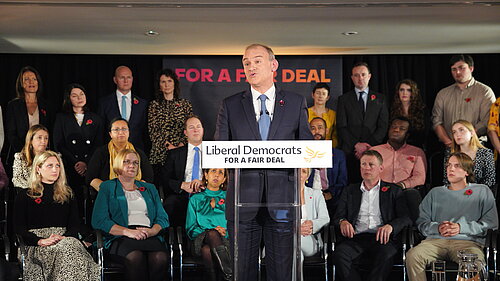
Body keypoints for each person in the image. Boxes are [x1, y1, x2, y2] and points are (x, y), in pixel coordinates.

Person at [214, 43, 313, 281]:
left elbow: (308, 147)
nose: (251, 66)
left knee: (281, 272)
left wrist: (305, 166)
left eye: (257, 61)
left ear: (273, 65)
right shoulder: (230, 104)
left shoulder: (295, 102)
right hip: (242, 202)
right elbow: (219, 150)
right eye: (246, 63)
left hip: (282, 200)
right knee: (243, 272)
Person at [406, 152, 499, 281]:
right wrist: (437, 228)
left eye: (457, 166)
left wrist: (461, 228)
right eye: (449, 165)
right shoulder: (435, 192)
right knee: (413, 255)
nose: (451, 168)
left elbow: (491, 223)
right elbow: (421, 222)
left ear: (467, 171)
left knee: (473, 261)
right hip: (435, 241)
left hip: (468, 242)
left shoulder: (482, 191)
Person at [13, 150, 99, 281]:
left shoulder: (67, 194)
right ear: (38, 168)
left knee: (70, 247)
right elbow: (19, 229)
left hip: (65, 241)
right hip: (36, 245)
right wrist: (39, 240)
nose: (55, 169)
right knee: (72, 250)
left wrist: (63, 238)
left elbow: (74, 225)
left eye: (58, 165)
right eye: (50, 165)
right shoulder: (25, 195)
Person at [332, 150, 411, 281]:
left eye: (371, 164)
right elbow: (337, 217)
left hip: (382, 238)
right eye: (363, 164)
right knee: (339, 254)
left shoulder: (393, 191)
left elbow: (406, 218)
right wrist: (342, 222)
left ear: (381, 168)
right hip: (356, 237)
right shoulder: (350, 190)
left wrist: (391, 226)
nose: (366, 168)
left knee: (386, 254)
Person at [92, 149, 169, 281]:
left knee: (160, 258)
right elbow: (99, 220)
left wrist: (152, 231)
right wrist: (128, 232)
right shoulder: (107, 187)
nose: (132, 165)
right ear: (117, 164)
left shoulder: (149, 188)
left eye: (135, 163)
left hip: (148, 235)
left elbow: (163, 218)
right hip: (121, 237)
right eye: (126, 162)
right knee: (135, 257)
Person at [53, 83, 104, 210]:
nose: (79, 98)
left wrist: (86, 163)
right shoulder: (61, 118)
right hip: (69, 165)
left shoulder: (96, 118)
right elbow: (58, 143)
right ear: (68, 98)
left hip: (90, 164)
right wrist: (76, 163)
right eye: (74, 95)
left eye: (82, 94)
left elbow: (98, 144)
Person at [336, 62, 389, 184]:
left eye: (363, 75)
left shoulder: (380, 98)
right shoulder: (344, 99)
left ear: (369, 76)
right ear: (352, 78)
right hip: (350, 152)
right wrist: (356, 145)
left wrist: (368, 146)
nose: (360, 78)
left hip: (374, 150)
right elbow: (341, 126)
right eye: (356, 75)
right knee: (351, 185)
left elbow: (383, 126)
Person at [432, 55, 495, 146]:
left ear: (471, 68)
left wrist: (466, 138)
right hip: (449, 146)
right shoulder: (443, 94)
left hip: (476, 145)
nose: (457, 72)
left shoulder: (484, 91)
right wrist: (449, 143)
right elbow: (436, 121)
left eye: (462, 68)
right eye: (454, 69)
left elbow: (487, 121)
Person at [186, 168, 232, 281]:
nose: (216, 175)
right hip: (199, 240)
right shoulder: (195, 199)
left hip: (226, 239)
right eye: (213, 171)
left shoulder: (230, 198)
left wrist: (226, 231)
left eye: (221, 173)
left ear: (224, 179)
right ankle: (229, 275)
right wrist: (211, 232)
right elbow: (191, 229)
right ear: (206, 175)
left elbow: (237, 223)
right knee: (212, 234)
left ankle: (224, 276)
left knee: (207, 250)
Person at [86, 118, 153, 191]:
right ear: (110, 134)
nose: (121, 132)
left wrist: (134, 190)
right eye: (116, 129)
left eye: (124, 129)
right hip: (108, 195)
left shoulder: (138, 153)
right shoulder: (101, 152)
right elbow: (90, 178)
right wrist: (108, 191)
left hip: (135, 193)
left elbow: (148, 177)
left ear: (129, 132)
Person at [161, 115, 204, 227]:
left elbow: (222, 176)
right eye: (191, 127)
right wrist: (181, 185)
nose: (195, 130)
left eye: (198, 127)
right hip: (182, 195)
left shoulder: (213, 151)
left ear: (203, 130)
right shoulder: (175, 154)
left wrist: (204, 183)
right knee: (170, 205)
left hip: (206, 193)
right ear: (185, 132)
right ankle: (170, 241)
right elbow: (164, 179)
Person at [148, 69, 193, 174]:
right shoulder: (154, 105)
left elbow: (190, 128)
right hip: (160, 154)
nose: (166, 84)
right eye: (163, 82)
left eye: (169, 81)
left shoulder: (185, 104)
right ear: (159, 86)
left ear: (174, 83)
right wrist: (169, 146)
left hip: (181, 152)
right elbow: (153, 131)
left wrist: (180, 145)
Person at [98, 66, 148, 150]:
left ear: (132, 79)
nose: (126, 81)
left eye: (128, 77)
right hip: (112, 153)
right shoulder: (104, 103)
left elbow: (145, 132)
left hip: (136, 152)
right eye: (122, 77)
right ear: (115, 80)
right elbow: (101, 132)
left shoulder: (142, 104)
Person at [306, 117, 347, 217]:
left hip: (330, 198)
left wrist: (331, 194)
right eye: (313, 128)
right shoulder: (304, 152)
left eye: (320, 128)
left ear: (326, 130)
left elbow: (342, 181)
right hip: (308, 197)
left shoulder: (338, 155)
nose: (317, 131)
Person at [370, 116, 427, 189]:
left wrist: (401, 185)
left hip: (405, 191)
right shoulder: (374, 151)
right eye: (393, 127)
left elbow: (420, 178)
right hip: (379, 191)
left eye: (402, 129)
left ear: (407, 135)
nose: (396, 130)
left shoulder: (417, 152)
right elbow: (368, 173)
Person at [6, 66, 53, 153]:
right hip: (21, 152)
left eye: (34, 79)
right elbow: (11, 134)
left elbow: (50, 131)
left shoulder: (46, 105)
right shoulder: (14, 106)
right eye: (27, 79)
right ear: (21, 84)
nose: (31, 82)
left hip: (42, 153)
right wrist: (25, 152)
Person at [443, 119, 495, 189]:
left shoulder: (486, 153)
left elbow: (490, 181)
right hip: (455, 193)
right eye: (454, 132)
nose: (457, 134)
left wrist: (472, 193)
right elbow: (446, 180)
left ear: (472, 133)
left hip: (479, 194)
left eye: (461, 130)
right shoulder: (450, 153)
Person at [300, 168, 330, 260]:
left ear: (307, 176)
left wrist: (312, 224)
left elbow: (325, 219)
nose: (299, 174)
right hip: (285, 235)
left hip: (308, 237)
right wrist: (293, 228)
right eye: (296, 170)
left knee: (294, 244)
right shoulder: (281, 194)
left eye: (303, 171)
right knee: (297, 254)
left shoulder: (316, 194)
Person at [390, 79, 428, 148]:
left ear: (413, 92)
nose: (404, 93)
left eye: (408, 90)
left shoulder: (421, 110)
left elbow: (424, 133)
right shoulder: (392, 109)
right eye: (402, 90)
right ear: (398, 92)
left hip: (416, 146)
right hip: (396, 146)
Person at [12, 125, 49, 189]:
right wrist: (34, 188)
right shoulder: (20, 157)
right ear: (31, 140)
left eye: (46, 138)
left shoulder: (51, 157)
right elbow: (16, 180)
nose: (43, 141)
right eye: (39, 138)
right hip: (28, 192)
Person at [307, 83, 337, 147]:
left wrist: (332, 149)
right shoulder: (305, 113)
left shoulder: (333, 114)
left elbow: (335, 136)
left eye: (324, 94)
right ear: (313, 95)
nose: (320, 96)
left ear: (328, 97)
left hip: (328, 149)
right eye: (318, 93)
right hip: (308, 148)